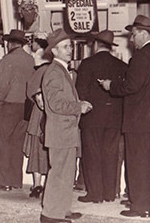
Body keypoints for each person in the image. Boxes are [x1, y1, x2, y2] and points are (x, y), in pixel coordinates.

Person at [100, 14, 150, 219]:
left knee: (137, 164)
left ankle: (140, 206)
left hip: (138, 120)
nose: (132, 40)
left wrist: (111, 86)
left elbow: (131, 86)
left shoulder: (141, 56)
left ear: (143, 33)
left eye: (134, 35)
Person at [40, 29, 93, 223]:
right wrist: (79, 107)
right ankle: (50, 215)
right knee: (59, 173)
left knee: (66, 173)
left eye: (70, 46)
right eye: (65, 47)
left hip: (65, 131)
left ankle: (62, 210)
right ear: (54, 51)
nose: (70, 50)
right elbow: (55, 103)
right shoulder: (54, 72)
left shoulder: (60, 70)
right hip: (60, 131)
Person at [75, 29, 127, 204]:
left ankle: (95, 194)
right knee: (111, 155)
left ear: (96, 44)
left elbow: (80, 91)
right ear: (110, 47)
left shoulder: (87, 64)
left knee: (92, 155)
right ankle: (109, 193)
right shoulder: (122, 65)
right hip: (114, 118)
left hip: (91, 117)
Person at [0, 28, 34, 191]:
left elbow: (3, 85)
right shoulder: (30, 60)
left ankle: (2, 180)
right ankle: (15, 180)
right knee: (17, 144)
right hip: (25, 107)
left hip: (8, 106)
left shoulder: (7, 60)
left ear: (9, 43)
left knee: (1, 143)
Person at [24, 38, 52, 199]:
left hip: (38, 114)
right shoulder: (60, 71)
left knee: (36, 150)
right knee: (50, 152)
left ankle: (36, 185)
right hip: (53, 114)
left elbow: (30, 92)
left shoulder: (39, 71)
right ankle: (48, 185)